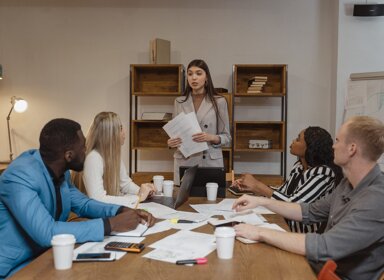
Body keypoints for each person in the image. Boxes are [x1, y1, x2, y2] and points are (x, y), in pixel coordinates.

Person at [232, 116, 384, 280]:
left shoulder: (376, 199)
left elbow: (325, 246)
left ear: (352, 149)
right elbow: (309, 211)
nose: (333, 146)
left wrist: (259, 232)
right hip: (319, 266)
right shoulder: (347, 184)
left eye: (338, 140)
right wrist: (260, 201)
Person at [0, 118, 155, 278]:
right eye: (83, 148)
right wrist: (110, 224)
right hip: (15, 268)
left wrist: (120, 210)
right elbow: (47, 233)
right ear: (69, 155)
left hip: (48, 257)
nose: (86, 152)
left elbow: (83, 204)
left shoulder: (61, 171)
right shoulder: (19, 176)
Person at [234, 126, 343, 233]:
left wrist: (258, 185)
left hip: (306, 236)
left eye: (298, 139)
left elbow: (294, 205)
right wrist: (253, 188)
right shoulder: (299, 166)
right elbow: (282, 192)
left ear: (310, 147)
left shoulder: (323, 173)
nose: (293, 141)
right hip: (286, 226)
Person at [167, 59, 231, 184]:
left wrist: (211, 137)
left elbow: (227, 138)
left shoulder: (219, 101)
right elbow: (175, 133)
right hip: (185, 161)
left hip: (209, 161)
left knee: (210, 201)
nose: (194, 78)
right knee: (182, 202)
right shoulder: (179, 102)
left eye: (198, 73)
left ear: (206, 77)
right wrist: (171, 142)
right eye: (190, 74)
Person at [78, 112, 156, 208]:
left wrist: (142, 191)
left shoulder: (112, 156)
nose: (124, 131)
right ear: (111, 134)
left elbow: (125, 184)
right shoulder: (93, 158)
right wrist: (138, 197)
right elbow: (98, 199)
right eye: (120, 128)